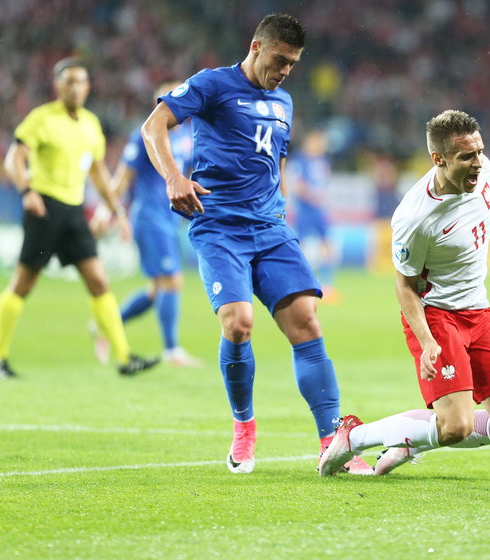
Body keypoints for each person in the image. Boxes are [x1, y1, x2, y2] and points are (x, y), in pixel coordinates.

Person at [140, 13, 372, 475]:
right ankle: (243, 428)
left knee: (307, 321)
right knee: (239, 322)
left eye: (293, 63)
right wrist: (173, 177)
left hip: (270, 229)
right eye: (280, 59)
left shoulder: (284, 101)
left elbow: (275, 161)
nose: (285, 70)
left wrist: (280, 205)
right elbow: (154, 126)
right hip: (220, 226)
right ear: (256, 47)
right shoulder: (212, 84)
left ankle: (333, 442)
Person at [319, 109, 490, 476]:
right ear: (438, 159)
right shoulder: (415, 218)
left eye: (480, 152)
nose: (478, 163)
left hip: (478, 313)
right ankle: (354, 438)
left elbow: (486, 185)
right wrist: (426, 341)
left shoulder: (480, 170)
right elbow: (404, 285)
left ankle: (413, 439)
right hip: (437, 315)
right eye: (466, 157)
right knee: (455, 427)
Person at [0, 57, 160, 379]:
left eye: (81, 82)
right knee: (23, 283)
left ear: (88, 87)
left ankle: (124, 357)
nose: (75, 88)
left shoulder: (91, 124)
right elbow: (14, 159)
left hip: (74, 213)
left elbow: (99, 174)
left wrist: (117, 211)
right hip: (44, 209)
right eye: (69, 82)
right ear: (58, 86)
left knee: (99, 281)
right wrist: (27, 192)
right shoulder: (41, 119)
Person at [92, 81, 201, 368]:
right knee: (171, 282)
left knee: (156, 290)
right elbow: (123, 178)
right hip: (149, 216)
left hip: (170, 218)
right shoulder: (145, 136)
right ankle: (171, 350)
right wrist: (107, 210)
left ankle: (106, 325)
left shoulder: (187, 138)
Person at [286, 129, 338, 299]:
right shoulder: (299, 160)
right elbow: (297, 185)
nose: (321, 146)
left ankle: (327, 283)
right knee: (301, 247)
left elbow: (324, 184)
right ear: (309, 142)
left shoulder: (323, 161)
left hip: (319, 210)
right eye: (318, 142)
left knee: (328, 245)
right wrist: (312, 196)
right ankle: (299, 282)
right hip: (306, 211)